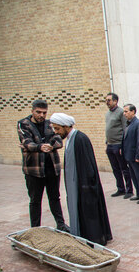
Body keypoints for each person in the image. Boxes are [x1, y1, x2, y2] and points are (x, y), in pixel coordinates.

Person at [50, 113, 112, 245]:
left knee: (89, 214)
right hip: (77, 185)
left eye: (57, 129)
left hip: (85, 186)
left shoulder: (80, 139)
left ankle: (93, 239)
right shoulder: (70, 139)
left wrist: (85, 186)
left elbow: (87, 166)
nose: (56, 132)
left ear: (66, 126)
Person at [17, 99, 68, 231]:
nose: (41, 115)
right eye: (38, 112)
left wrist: (48, 145)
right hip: (34, 170)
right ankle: (35, 229)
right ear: (32, 111)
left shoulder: (49, 124)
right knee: (35, 200)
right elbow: (27, 142)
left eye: (44, 113)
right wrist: (40, 146)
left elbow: (58, 140)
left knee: (55, 198)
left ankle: (61, 224)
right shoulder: (24, 124)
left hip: (52, 168)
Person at [105, 93, 132, 198]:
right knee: (115, 168)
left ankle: (129, 190)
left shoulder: (121, 112)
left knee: (124, 168)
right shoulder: (107, 114)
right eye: (106, 100)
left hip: (118, 145)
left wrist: (122, 146)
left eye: (109, 100)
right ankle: (120, 188)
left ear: (115, 101)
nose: (107, 102)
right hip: (110, 145)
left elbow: (125, 128)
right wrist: (106, 143)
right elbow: (107, 129)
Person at [122, 104, 139, 203]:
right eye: (124, 111)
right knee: (134, 176)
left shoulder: (137, 123)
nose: (124, 114)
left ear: (133, 112)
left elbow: (138, 141)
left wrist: (138, 155)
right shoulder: (127, 124)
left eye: (127, 111)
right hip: (128, 155)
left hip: (135, 154)